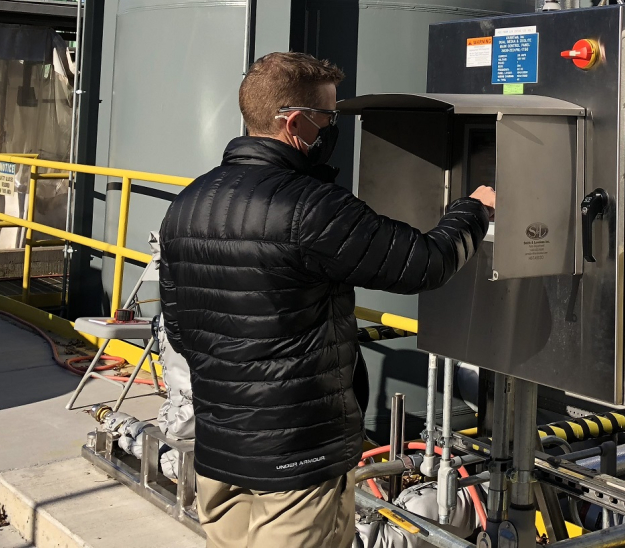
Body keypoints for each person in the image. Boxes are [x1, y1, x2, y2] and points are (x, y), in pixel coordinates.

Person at [158, 51, 493, 548]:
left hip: (219, 449)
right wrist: (474, 209)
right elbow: (425, 262)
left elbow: (181, 331)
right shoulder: (310, 206)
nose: (331, 130)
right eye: (327, 119)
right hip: (296, 457)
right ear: (295, 123)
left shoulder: (187, 204)